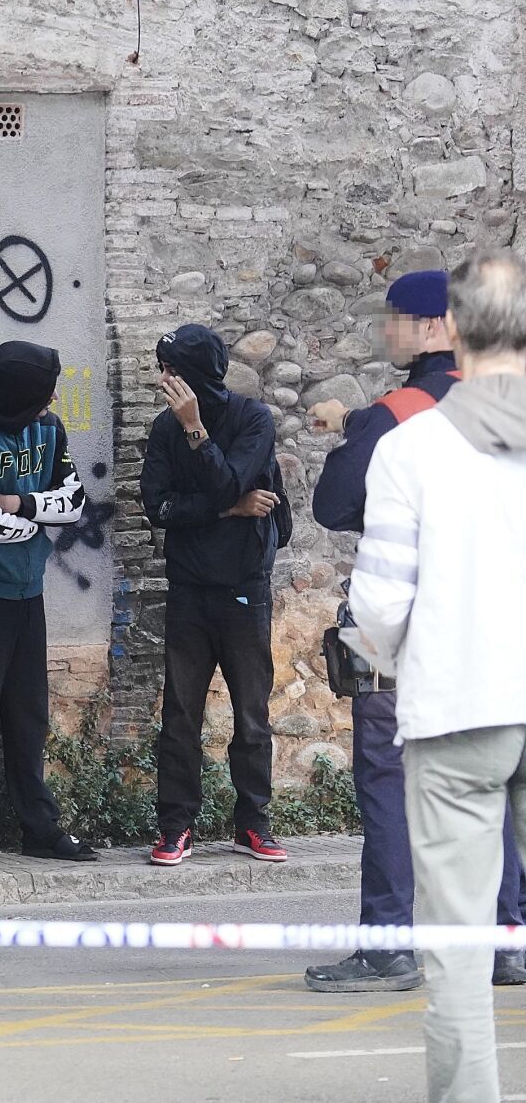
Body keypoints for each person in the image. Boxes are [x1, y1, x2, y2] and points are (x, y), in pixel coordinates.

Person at [303, 270, 526, 993]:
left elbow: (334, 507)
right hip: (503, 638)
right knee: (496, 790)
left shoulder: (398, 415)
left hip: (415, 640)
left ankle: (389, 940)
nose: (386, 331)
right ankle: (508, 939)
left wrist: (353, 429)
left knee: (389, 784)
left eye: (395, 318)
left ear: (435, 327)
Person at [350, 248, 526, 1102]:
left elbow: (380, 605)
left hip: (457, 709)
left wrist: (400, 659)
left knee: (457, 946)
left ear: (452, 331)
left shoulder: (409, 446)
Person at [0, 341, 98, 865]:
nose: (55, 394)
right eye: (45, 386)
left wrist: (22, 504)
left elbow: (74, 502)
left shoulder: (48, 428)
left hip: (28, 590)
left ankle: (39, 826)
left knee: (29, 715)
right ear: (22, 393)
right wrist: (40, 520)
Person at [139, 324, 288, 867]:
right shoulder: (162, 430)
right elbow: (158, 508)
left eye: (172, 371)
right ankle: (176, 826)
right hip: (189, 592)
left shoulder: (252, 420)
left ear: (195, 375)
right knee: (180, 715)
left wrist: (197, 431)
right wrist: (227, 509)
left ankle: (253, 824)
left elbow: (227, 481)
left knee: (251, 714)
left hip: (245, 590)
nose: (164, 381)